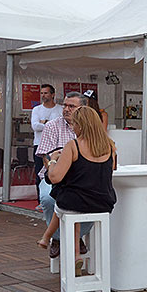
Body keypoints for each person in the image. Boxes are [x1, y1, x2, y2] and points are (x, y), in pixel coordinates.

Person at [37, 107, 117, 275]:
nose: (72, 128)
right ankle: (73, 253)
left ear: (82, 125)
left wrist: (52, 162)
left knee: (61, 201)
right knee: (69, 203)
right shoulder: (110, 146)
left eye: (74, 124)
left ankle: (65, 248)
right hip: (103, 203)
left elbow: (55, 177)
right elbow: (113, 168)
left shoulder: (73, 146)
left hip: (74, 203)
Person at [36, 91, 90, 259]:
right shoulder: (52, 125)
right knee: (47, 198)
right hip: (54, 176)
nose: (66, 109)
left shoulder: (90, 129)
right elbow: (45, 157)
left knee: (94, 200)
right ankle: (58, 237)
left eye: (71, 106)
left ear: (83, 109)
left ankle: (78, 234)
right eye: (65, 105)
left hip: (81, 179)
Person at [31, 84, 63, 193]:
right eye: (41, 93)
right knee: (39, 172)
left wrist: (44, 123)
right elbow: (35, 126)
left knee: (56, 171)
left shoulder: (60, 109)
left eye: (46, 93)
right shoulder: (36, 109)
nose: (43, 95)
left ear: (53, 94)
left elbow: (62, 126)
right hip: (39, 145)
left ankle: (55, 196)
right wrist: (51, 125)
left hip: (56, 147)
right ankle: (41, 200)